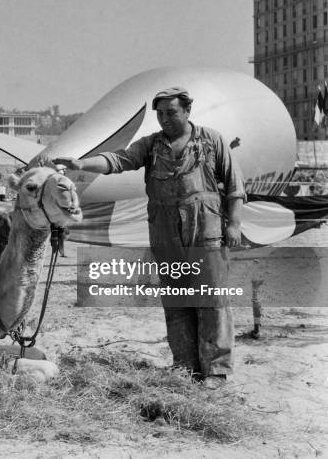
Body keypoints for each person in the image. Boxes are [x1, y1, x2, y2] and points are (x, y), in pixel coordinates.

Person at [51, 87, 245, 387]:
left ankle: (216, 371)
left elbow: (235, 187)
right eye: (160, 114)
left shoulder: (212, 140)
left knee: (212, 301)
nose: (165, 119)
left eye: (171, 112)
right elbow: (119, 161)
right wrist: (81, 164)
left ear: (187, 111)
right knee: (177, 300)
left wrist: (233, 225)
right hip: (165, 233)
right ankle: (186, 368)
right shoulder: (151, 145)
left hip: (204, 231)